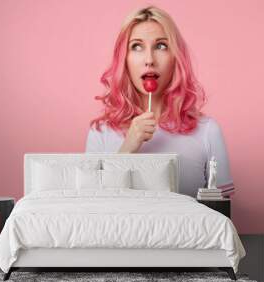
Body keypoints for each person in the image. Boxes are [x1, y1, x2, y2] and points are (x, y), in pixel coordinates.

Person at [85, 6, 234, 197]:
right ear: (124, 59)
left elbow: (220, 211)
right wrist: (128, 148)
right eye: (137, 46)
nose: (149, 60)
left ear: (175, 58)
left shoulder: (207, 130)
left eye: (161, 46)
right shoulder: (101, 132)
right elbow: (91, 206)